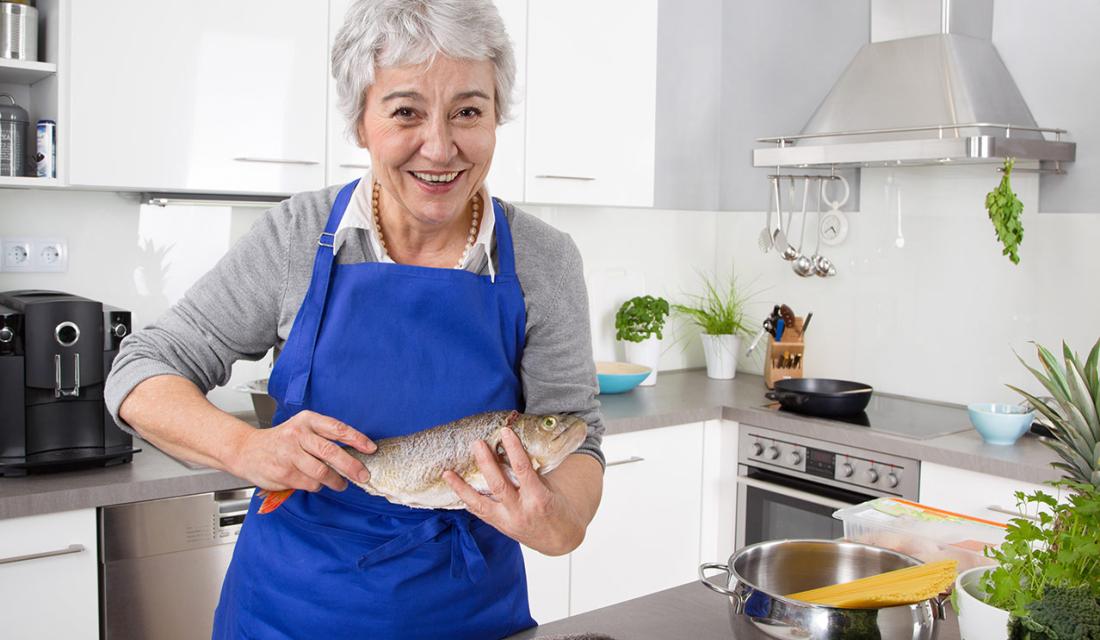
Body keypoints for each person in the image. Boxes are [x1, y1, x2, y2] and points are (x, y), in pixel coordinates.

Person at [103, 1, 605, 638]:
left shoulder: (542, 258)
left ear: (497, 117)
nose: (440, 146)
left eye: (468, 112)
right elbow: (142, 368)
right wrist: (245, 448)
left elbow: (577, 431)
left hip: (469, 613)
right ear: (360, 122)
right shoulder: (297, 234)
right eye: (405, 112)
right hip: (288, 612)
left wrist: (563, 521)